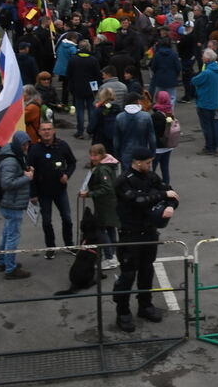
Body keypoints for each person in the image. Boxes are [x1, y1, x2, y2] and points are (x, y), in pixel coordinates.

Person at [112, 147, 179, 332]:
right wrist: (163, 196)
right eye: (148, 163)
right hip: (130, 234)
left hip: (149, 232)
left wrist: (170, 206)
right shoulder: (123, 181)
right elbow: (136, 200)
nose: (150, 166)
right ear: (138, 162)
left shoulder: (152, 177)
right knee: (127, 275)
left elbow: (171, 193)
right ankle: (123, 312)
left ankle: (145, 305)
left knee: (147, 270)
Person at [28, 120, 76, 258]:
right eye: (43, 129)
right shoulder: (34, 149)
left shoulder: (62, 146)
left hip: (60, 190)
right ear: (39, 132)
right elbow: (31, 173)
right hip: (43, 192)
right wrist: (33, 193)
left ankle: (69, 244)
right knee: (47, 221)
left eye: (49, 129)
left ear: (54, 130)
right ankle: (51, 247)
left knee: (67, 218)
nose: (47, 132)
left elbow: (72, 162)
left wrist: (67, 174)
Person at [78, 143, 122, 271]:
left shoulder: (102, 169)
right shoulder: (109, 165)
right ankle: (113, 255)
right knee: (110, 229)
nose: (92, 158)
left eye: (95, 155)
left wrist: (89, 194)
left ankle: (109, 257)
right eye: (91, 155)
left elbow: (106, 188)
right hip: (110, 203)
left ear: (102, 155)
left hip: (105, 205)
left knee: (101, 230)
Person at [0, 130, 34, 279]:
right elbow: (7, 183)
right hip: (12, 203)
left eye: (27, 144)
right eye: (24, 144)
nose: (26, 147)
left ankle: (3, 262)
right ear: (18, 144)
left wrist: (26, 171)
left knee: (7, 234)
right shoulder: (11, 160)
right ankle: (10, 269)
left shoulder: (13, 154)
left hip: (10, 202)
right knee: (12, 236)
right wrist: (27, 178)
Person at [191, 49, 218, 156]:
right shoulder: (217, 70)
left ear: (208, 59)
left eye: (203, 56)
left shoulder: (207, 72)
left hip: (204, 102)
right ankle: (214, 146)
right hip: (214, 101)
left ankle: (209, 147)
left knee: (206, 127)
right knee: (213, 125)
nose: (201, 58)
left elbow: (194, 81)